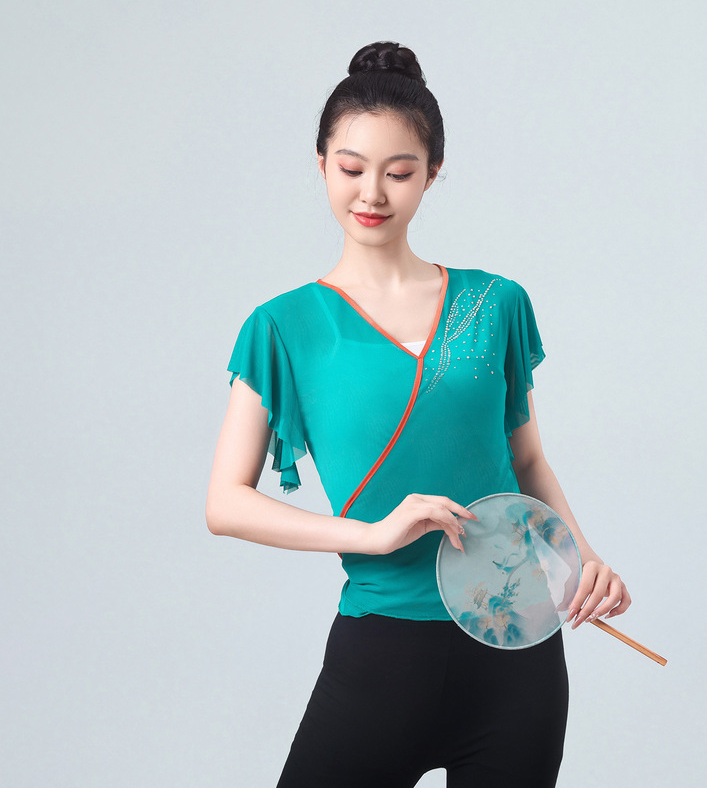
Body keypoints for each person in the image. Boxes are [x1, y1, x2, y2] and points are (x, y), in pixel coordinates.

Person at [206, 41, 630, 788]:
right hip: (382, 654)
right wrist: (371, 534)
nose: (372, 192)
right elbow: (225, 504)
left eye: (399, 173)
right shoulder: (282, 327)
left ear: (432, 174)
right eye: (351, 168)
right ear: (320, 164)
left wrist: (583, 561)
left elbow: (526, 459)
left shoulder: (494, 303)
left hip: (516, 649)